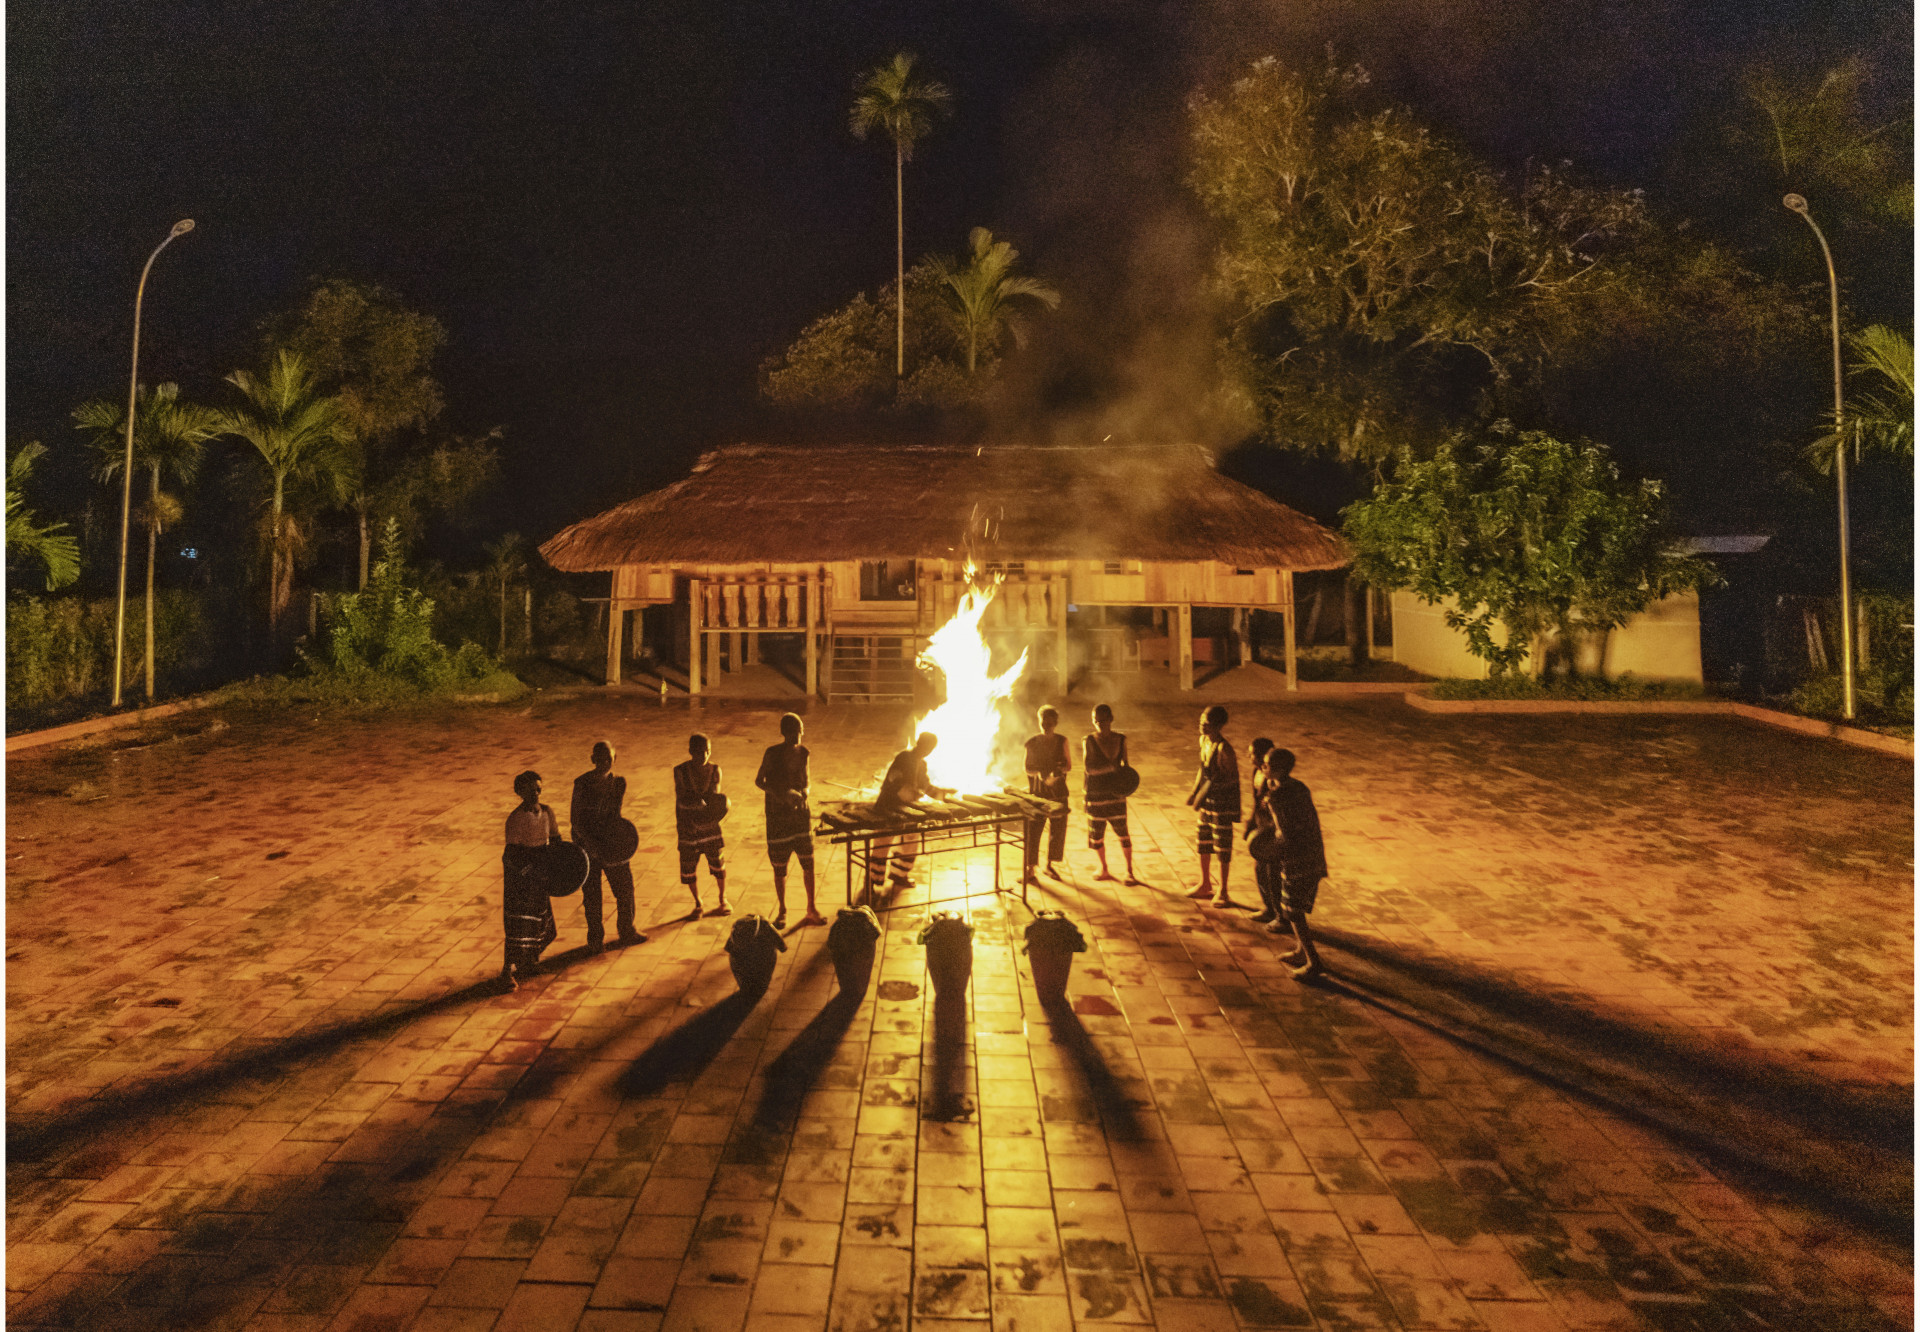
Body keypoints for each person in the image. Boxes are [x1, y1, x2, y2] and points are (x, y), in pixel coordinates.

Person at [571, 741, 646, 952]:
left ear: (615, 759)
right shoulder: (582, 784)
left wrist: (619, 840)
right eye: (600, 758)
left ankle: (627, 930)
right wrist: (591, 846)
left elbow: (615, 816)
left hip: (610, 843)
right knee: (592, 894)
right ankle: (595, 939)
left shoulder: (618, 783)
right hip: (588, 845)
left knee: (625, 888)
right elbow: (575, 820)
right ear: (592, 759)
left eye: (609, 758)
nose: (604, 762)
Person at [756, 712, 825, 929]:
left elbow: (807, 781)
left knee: (808, 862)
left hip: (800, 815)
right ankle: (783, 909)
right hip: (778, 816)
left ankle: (811, 908)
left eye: (799, 732)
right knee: (779, 866)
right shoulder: (772, 754)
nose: (797, 737)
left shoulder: (804, 753)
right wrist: (781, 794)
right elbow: (759, 781)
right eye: (792, 733)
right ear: (783, 733)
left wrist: (804, 792)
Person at [1263, 748, 1327, 978]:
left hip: (1297, 858)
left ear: (1278, 769)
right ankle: (1301, 950)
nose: (1263, 767)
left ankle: (1313, 962)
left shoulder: (1276, 796)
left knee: (1292, 910)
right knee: (1295, 905)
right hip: (1314, 854)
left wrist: (1272, 849)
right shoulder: (1300, 787)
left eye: (1267, 764)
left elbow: (1285, 832)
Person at [867, 732, 952, 896]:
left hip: (907, 809)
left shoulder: (921, 764)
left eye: (931, 748)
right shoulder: (904, 758)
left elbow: (925, 785)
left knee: (912, 839)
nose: (928, 751)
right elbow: (894, 780)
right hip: (888, 806)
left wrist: (943, 795)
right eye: (927, 747)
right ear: (919, 744)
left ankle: (900, 875)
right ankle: (872, 881)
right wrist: (909, 792)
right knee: (882, 844)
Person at [500, 770, 560, 991]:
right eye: (529, 790)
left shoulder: (547, 812)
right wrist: (528, 872)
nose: (535, 793)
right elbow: (511, 855)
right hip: (521, 879)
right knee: (518, 926)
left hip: (540, 874)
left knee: (538, 921)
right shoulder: (516, 819)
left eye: (538, 789)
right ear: (519, 792)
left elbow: (555, 839)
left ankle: (529, 963)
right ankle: (506, 972)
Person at [1185, 705, 1241, 907]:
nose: (1202, 727)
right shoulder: (1204, 741)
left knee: (1222, 847)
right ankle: (1205, 883)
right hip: (1207, 801)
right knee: (1204, 841)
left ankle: (1223, 890)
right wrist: (1195, 792)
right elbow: (1203, 769)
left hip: (1222, 804)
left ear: (1218, 726)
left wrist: (1213, 788)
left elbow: (1233, 780)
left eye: (1207, 724)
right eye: (1201, 722)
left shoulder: (1224, 749)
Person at [674, 733, 728, 919]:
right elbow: (682, 798)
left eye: (707, 751)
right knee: (689, 867)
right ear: (690, 751)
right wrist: (700, 805)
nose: (703, 755)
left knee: (718, 864)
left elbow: (714, 798)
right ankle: (698, 902)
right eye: (699, 751)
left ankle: (723, 899)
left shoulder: (715, 770)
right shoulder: (680, 771)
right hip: (687, 825)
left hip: (708, 825)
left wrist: (720, 806)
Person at [1083, 704, 1137, 884]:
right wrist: (1109, 768)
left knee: (1123, 833)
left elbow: (1126, 766)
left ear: (1111, 719)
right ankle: (1103, 867)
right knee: (1096, 835)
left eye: (1102, 720)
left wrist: (1126, 786)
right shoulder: (1088, 741)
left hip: (1115, 794)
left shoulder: (1121, 740)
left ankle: (1129, 871)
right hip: (1096, 795)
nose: (1099, 724)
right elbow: (1089, 769)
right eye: (1095, 720)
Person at [1022, 706, 1071, 884]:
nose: (1046, 726)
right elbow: (1027, 767)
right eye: (1043, 723)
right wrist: (1042, 775)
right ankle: (1030, 868)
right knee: (1033, 831)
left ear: (1055, 724)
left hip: (1058, 793)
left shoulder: (1062, 741)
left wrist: (1055, 772)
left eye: (1049, 723)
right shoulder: (1032, 743)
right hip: (1038, 794)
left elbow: (1068, 766)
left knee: (1057, 831)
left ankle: (1049, 865)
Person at [1245, 738, 1280, 926]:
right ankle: (1269, 908)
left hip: (1271, 832)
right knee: (1260, 869)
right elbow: (1256, 801)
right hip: (1261, 828)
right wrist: (1251, 822)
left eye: (1252, 754)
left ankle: (1280, 914)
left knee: (1272, 873)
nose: (1250, 757)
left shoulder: (1272, 781)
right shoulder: (1256, 773)